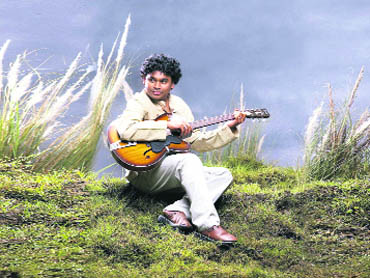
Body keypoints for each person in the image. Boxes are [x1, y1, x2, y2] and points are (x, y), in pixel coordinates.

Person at [115, 54, 246, 244]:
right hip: (146, 173)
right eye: (152, 80)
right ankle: (207, 225)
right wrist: (167, 127)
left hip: (173, 172)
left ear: (172, 84)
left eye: (163, 81)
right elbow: (126, 129)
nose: (156, 85)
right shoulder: (139, 102)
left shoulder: (179, 106)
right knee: (189, 160)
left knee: (223, 174)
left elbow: (197, 141)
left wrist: (230, 127)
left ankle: (177, 210)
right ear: (144, 80)